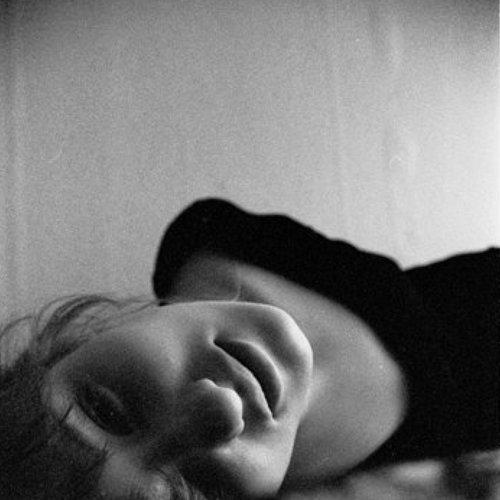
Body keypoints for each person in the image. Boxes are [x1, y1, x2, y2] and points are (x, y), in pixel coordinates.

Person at [0, 198, 498, 499]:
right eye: (194, 495)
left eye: (105, 409)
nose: (219, 407)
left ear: (68, 340)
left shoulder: (215, 237)